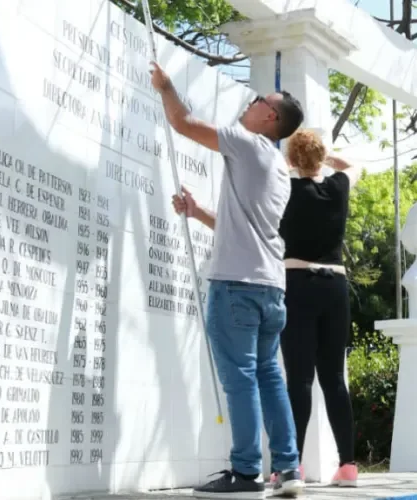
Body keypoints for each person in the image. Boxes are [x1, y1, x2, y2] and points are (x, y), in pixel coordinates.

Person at [150, 61, 306, 499]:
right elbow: (248, 227)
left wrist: (165, 87)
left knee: (240, 378)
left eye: (258, 101)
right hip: (270, 286)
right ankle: (289, 469)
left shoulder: (246, 142)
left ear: (269, 117)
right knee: (269, 376)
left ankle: (244, 473)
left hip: (236, 286)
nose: (250, 103)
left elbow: (183, 123)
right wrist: (199, 213)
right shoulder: (278, 169)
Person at [275, 129, 363, 486]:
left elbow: (274, 170)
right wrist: (325, 158)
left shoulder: (285, 189)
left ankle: (291, 465)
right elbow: (357, 165)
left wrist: (292, 162)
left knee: (299, 379)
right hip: (335, 286)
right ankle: (348, 466)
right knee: (333, 379)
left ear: (293, 160)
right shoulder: (338, 186)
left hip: (298, 284)